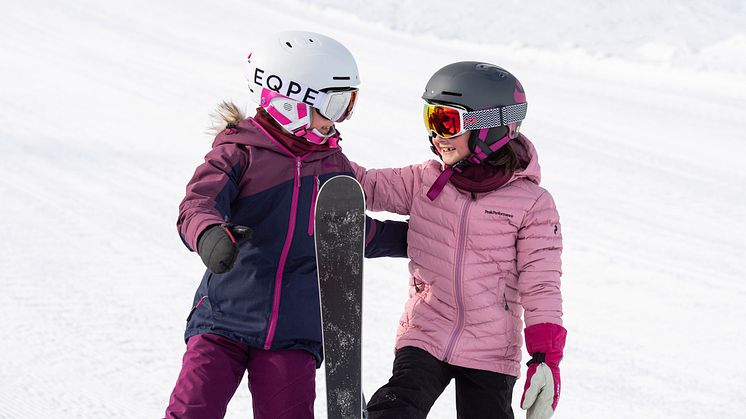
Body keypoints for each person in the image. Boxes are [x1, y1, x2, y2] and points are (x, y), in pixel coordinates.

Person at [164, 30, 407, 419]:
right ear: (289, 100)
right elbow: (198, 203)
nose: (340, 118)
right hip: (223, 319)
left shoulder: (332, 167)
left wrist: (416, 238)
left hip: (294, 335)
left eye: (349, 104)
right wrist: (209, 234)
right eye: (335, 103)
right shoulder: (238, 153)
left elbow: (350, 234)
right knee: (192, 410)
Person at [352, 61, 567, 419]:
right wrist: (318, 157)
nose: (436, 134)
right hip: (427, 330)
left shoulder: (532, 204)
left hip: (491, 348)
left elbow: (541, 285)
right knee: (398, 403)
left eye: (446, 121)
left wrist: (546, 358)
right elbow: (363, 185)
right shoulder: (425, 180)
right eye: (430, 119)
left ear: (489, 127)